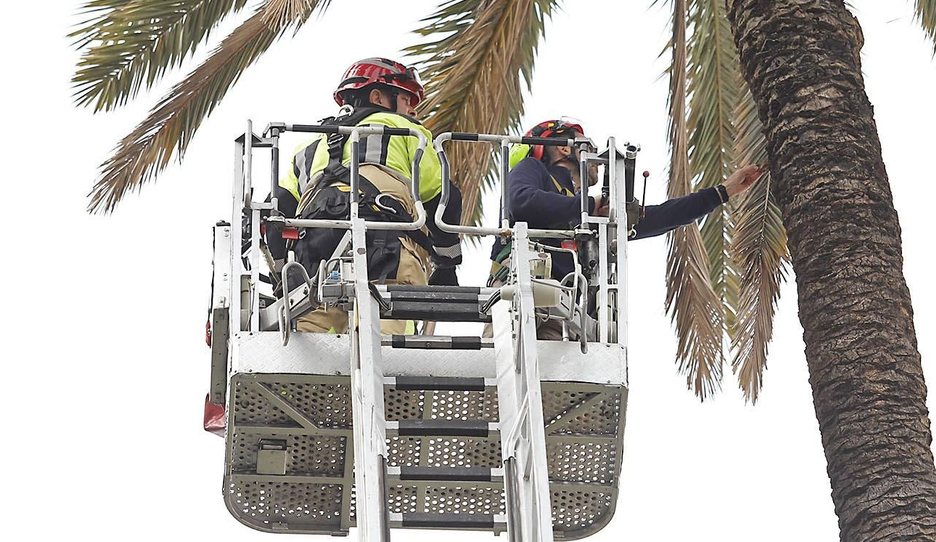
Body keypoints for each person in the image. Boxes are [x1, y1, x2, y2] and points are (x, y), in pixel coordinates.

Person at [267, 57, 462, 334]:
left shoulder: (310, 143)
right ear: (378, 96)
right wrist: (446, 264)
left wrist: (282, 275)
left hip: (314, 255)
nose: (413, 111)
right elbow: (444, 198)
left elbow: (274, 214)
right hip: (387, 247)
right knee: (387, 345)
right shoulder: (405, 132)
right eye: (407, 100)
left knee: (312, 343)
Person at [491, 116, 765, 288]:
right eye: (589, 146)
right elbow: (522, 202)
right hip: (518, 291)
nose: (595, 155)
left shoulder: (581, 208)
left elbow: (661, 217)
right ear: (564, 148)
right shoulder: (533, 170)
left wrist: (723, 192)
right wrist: (589, 205)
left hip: (567, 304)